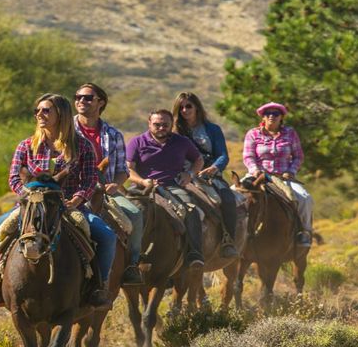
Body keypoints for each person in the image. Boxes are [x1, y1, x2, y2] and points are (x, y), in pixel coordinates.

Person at [0, 93, 116, 309]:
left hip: (68, 206)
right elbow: (14, 178)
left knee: (107, 237)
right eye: (37, 110)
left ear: (61, 114)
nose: (40, 114)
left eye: (46, 110)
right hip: (29, 207)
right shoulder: (26, 145)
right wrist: (28, 196)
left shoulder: (82, 146)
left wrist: (77, 199)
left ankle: (98, 288)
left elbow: (89, 179)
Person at [73, 82, 144, 285]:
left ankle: (132, 265)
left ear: (101, 103)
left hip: (105, 189)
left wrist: (115, 184)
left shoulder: (113, 135)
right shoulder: (66, 130)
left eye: (88, 98)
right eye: (78, 97)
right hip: (72, 188)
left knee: (135, 214)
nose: (81, 101)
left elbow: (123, 170)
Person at [126, 109, 205, 267]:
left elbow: (199, 160)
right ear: (149, 124)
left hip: (172, 186)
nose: (161, 128)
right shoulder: (137, 142)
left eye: (165, 124)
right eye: (157, 124)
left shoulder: (182, 142)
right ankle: (126, 257)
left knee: (190, 210)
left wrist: (189, 174)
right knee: (127, 213)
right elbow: (129, 169)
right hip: (142, 190)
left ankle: (194, 253)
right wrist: (143, 181)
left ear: (172, 124)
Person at [173, 91, 239, 258]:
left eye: (189, 106)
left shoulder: (212, 129)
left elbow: (223, 155)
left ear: (197, 107)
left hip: (208, 175)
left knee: (228, 199)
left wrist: (215, 168)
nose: (185, 110)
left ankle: (228, 240)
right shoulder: (173, 131)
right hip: (181, 176)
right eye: (181, 107)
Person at [242, 102, 314, 247]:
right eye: (267, 114)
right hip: (257, 176)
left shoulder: (290, 133)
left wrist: (291, 171)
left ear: (281, 117)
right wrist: (255, 170)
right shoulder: (253, 134)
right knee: (233, 195)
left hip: (283, 177)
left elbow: (298, 156)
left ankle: (304, 232)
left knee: (305, 198)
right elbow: (248, 156)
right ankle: (232, 234)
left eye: (275, 114)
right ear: (263, 117)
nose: (271, 116)